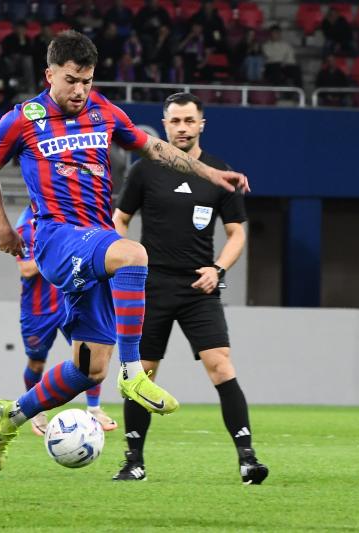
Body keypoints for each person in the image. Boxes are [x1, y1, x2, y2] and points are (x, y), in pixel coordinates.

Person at [0, 30, 248, 471]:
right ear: (49, 75)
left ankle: (13, 414)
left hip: (96, 242)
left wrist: (209, 174)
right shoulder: (22, 119)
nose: (80, 90)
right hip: (57, 238)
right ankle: (134, 372)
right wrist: (3, 228)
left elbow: (153, 147)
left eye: (87, 81)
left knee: (89, 368)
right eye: (71, 80)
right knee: (135, 254)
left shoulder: (103, 110)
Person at [111, 92, 268, 485]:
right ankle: (134, 462)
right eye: (175, 121)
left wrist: (218, 268)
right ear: (165, 125)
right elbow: (119, 219)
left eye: (189, 121)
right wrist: (125, 263)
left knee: (221, 365)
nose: (182, 128)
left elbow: (237, 234)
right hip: (151, 287)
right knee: (143, 374)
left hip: (199, 288)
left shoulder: (219, 172)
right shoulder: (144, 170)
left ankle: (248, 459)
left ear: (201, 124)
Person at [14, 206, 117, 436]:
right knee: (36, 362)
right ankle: (36, 412)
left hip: (71, 301)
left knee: (89, 356)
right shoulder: (26, 225)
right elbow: (26, 268)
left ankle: (94, 409)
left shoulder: (72, 214)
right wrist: (59, 253)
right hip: (38, 309)